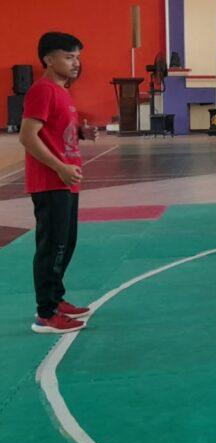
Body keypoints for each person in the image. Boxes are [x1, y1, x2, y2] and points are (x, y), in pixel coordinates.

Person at [19, 32, 98, 334]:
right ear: (48, 60)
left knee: (66, 244)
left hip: (67, 181)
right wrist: (60, 167)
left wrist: (80, 133)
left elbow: (54, 130)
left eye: (77, 56)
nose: (75, 63)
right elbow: (28, 136)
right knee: (52, 247)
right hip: (51, 182)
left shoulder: (62, 91)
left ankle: (56, 299)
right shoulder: (42, 90)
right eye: (68, 56)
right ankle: (46, 313)